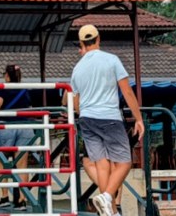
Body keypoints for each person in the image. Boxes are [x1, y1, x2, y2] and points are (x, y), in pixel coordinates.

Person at [70, 25, 144, 216]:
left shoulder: (77, 69)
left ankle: (110, 211)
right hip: (109, 117)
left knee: (101, 164)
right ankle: (107, 196)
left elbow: (76, 102)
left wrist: (84, 114)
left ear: (81, 43)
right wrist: (138, 118)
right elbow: (127, 91)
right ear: (98, 38)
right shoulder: (112, 60)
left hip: (87, 119)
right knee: (124, 162)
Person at [0, 64, 33, 211]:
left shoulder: (2, 88)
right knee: (22, 164)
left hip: (6, 126)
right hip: (25, 127)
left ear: (7, 76)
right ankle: (22, 199)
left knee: (1, 161)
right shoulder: (24, 89)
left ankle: (4, 197)